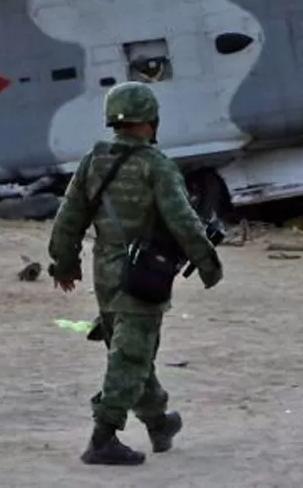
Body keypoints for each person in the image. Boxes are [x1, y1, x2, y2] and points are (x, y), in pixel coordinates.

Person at [48, 81, 224, 466]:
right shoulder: (156, 166)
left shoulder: (94, 161)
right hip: (143, 272)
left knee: (133, 350)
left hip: (106, 273)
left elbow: (69, 218)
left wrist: (64, 264)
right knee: (130, 355)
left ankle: (159, 422)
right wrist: (208, 262)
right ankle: (103, 437)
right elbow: (183, 220)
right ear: (151, 121)